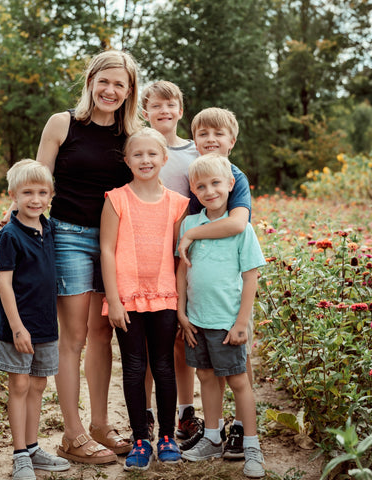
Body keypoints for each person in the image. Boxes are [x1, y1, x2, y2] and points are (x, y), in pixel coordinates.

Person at [0, 50, 142, 465]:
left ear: (130, 91)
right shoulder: (63, 125)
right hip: (70, 238)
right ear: (91, 81)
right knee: (73, 338)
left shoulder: (130, 137)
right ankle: (72, 434)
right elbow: (37, 184)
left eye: (120, 84)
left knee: (102, 335)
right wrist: (10, 228)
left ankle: (99, 425)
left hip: (115, 243)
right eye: (105, 81)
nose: (111, 90)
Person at [100, 127, 189, 471]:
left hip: (165, 296)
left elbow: (180, 258)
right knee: (135, 368)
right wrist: (114, 299)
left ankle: (167, 436)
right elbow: (107, 250)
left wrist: (181, 304)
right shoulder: (116, 199)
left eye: (152, 154)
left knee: (164, 366)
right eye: (137, 154)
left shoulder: (177, 204)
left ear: (165, 159)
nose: (145, 160)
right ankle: (140, 439)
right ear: (127, 161)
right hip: (128, 298)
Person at [177, 153, 266, 478]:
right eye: (201, 185)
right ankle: (212, 437)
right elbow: (182, 271)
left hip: (227, 322)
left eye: (216, 183)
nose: (209, 190)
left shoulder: (243, 230)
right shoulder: (190, 224)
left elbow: (250, 278)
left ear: (231, 184)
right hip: (196, 319)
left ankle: (251, 446)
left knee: (238, 381)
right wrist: (180, 312)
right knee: (205, 377)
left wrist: (242, 321)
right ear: (193, 190)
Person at [0, 159, 70, 480]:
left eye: (42, 192)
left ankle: (33, 448)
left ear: (50, 195)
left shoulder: (46, 227)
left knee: (38, 383)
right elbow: (4, 283)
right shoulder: (10, 235)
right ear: (13, 195)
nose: (35, 199)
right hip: (16, 325)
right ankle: (19, 453)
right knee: (19, 383)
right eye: (27, 192)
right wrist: (18, 327)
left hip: (45, 322)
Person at [140, 81, 203, 444]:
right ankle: (146, 413)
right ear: (145, 112)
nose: (164, 111)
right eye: (156, 106)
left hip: (185, 250)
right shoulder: (139, 148)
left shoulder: (195, 152)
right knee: (149, 341)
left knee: (182, 336)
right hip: (147, 252)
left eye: (171, 105)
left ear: (181, 110)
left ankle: (184, 412)